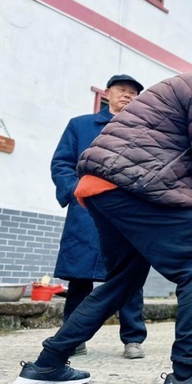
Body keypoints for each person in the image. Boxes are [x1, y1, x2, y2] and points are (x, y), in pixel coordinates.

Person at [13, 42, 192, 384]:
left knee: (123, 280)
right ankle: (187, 378)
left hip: (106, 188)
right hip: (135, 186)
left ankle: (47, 364)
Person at [50, 74, 147, 359]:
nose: (127, 96)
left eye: (133, 93)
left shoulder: (142, 130)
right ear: (107, 93)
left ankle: (133, 338)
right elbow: (62, 163)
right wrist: (73, 192)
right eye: (122, 90)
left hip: (125, 214)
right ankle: (73, 336)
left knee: (129, 274)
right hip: (86, 210)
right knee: (80, 277)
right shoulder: (80, 125)